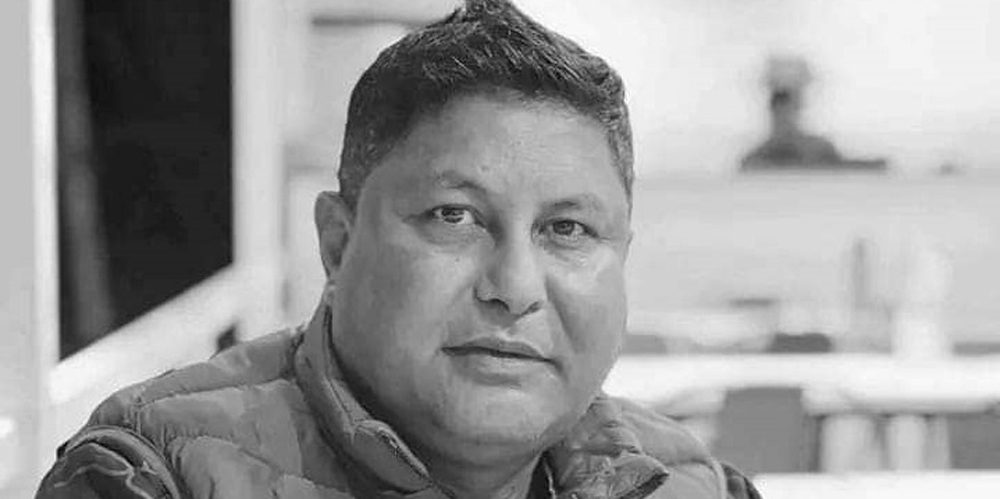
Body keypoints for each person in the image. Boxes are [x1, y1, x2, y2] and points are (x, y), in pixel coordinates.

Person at [37, 1, 759, 497]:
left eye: (567, 229)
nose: (514, 286)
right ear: (337, 242)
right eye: (455, 216)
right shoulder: (149, 474)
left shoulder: (697, 485)